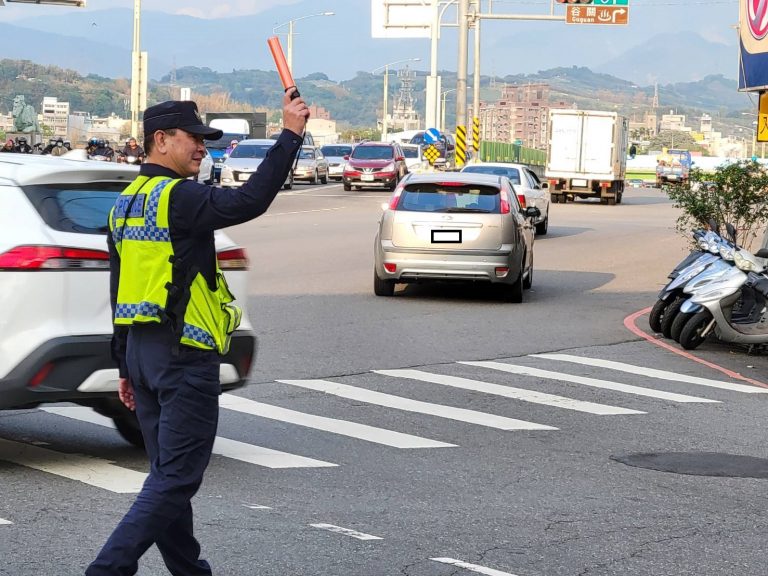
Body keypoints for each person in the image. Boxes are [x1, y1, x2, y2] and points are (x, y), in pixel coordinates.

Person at [86, 92, 308, 576]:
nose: (203, 149)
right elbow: (250, 200)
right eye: (195, 139)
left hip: (144, 355)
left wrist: (125, 365)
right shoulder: (180, 198)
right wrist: (290, 135)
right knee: (177, 479)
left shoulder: (125, 204)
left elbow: (119, 287)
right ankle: (107, 569)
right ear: (161, 140)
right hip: (184, 353)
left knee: (167, 479)